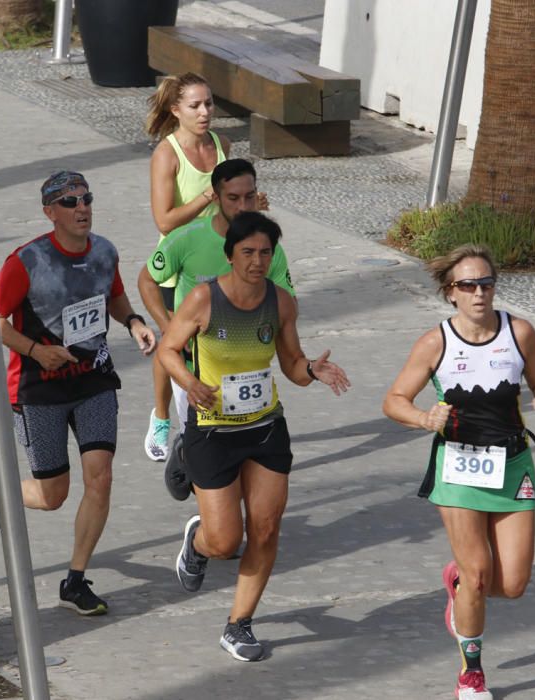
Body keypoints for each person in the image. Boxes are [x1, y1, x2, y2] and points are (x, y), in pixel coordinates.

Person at [158, 211, 350, 661]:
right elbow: (168, 350)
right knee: (225, 542)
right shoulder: (204, 299)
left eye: (266, 252)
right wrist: (189, 384)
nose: (257, 261)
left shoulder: (281, 302)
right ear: (231, 255)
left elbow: (291, 364)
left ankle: (238, 624)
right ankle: (197, 541)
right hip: (212, 430)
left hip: (264, 429)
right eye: (248, 252)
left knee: (264, 529)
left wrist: (312, 371)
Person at [382, 244, 535, 699]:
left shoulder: (519, 332)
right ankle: (471, 674)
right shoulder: (435, 342)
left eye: (487, 283)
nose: (480, 293)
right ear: (451, 293)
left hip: (513, 463)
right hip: (459, 466)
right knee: (480, 573)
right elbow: (393, 400)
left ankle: (457, 583)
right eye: (468, 285)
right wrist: (424, 419)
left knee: (513, 585)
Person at [0, 171, 157, 616]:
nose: (82, 208)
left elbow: (113, 297)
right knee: (53, 494)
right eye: (69, 201)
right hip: (39, 389)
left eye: (86, 198)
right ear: (49, 213)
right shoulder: (26, 262)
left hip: (94, 380)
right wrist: (37, 351)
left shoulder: (104, 251)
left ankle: (75, 580)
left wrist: (133, 322)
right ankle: (5, 490)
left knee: (101, 476)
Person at [138, 158, 294, 500]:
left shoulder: (267, 248)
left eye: (249, 197)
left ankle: (190, 464)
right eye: (233, 198)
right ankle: (193, 474)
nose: (242, 206)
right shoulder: (187, 238)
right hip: (195, 368)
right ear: (216, 198)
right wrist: (170, 329)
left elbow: (284, 305)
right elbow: (147, 279)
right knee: (209, 453)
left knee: (235, 463)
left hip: (247, 369)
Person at [143, 71, 230, 463]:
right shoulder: (167, 153)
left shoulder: (223, 144)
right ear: (176, 110)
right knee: (172, 344)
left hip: (220, 261)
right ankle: (162, 417)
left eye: (209, 103)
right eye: (195, 105)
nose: (204, 112)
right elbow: (163, 220)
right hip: (177, 266)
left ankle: (221, 418)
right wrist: (206, 197)